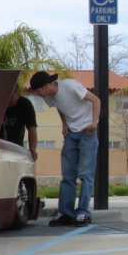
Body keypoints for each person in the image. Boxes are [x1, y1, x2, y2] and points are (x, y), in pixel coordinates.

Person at [30, 71, 101, 227]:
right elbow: (59, 107)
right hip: (71, 134)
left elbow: (96, 100)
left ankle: (83, 212)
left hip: (87, 132)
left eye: (37, 90)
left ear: (46, 86)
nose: (36, 94)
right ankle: (65, 213)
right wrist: (64, 124)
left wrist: (94, 124)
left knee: (85, 174)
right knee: (68, 175)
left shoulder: (71, 86)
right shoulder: (48, 96)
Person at [0, 85, 38, 161]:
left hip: (17, 147)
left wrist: (32, 149)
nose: (8, 100)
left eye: (11, 97)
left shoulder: (25, 104)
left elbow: (32, 128)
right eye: (6, 97)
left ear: (18, 95)